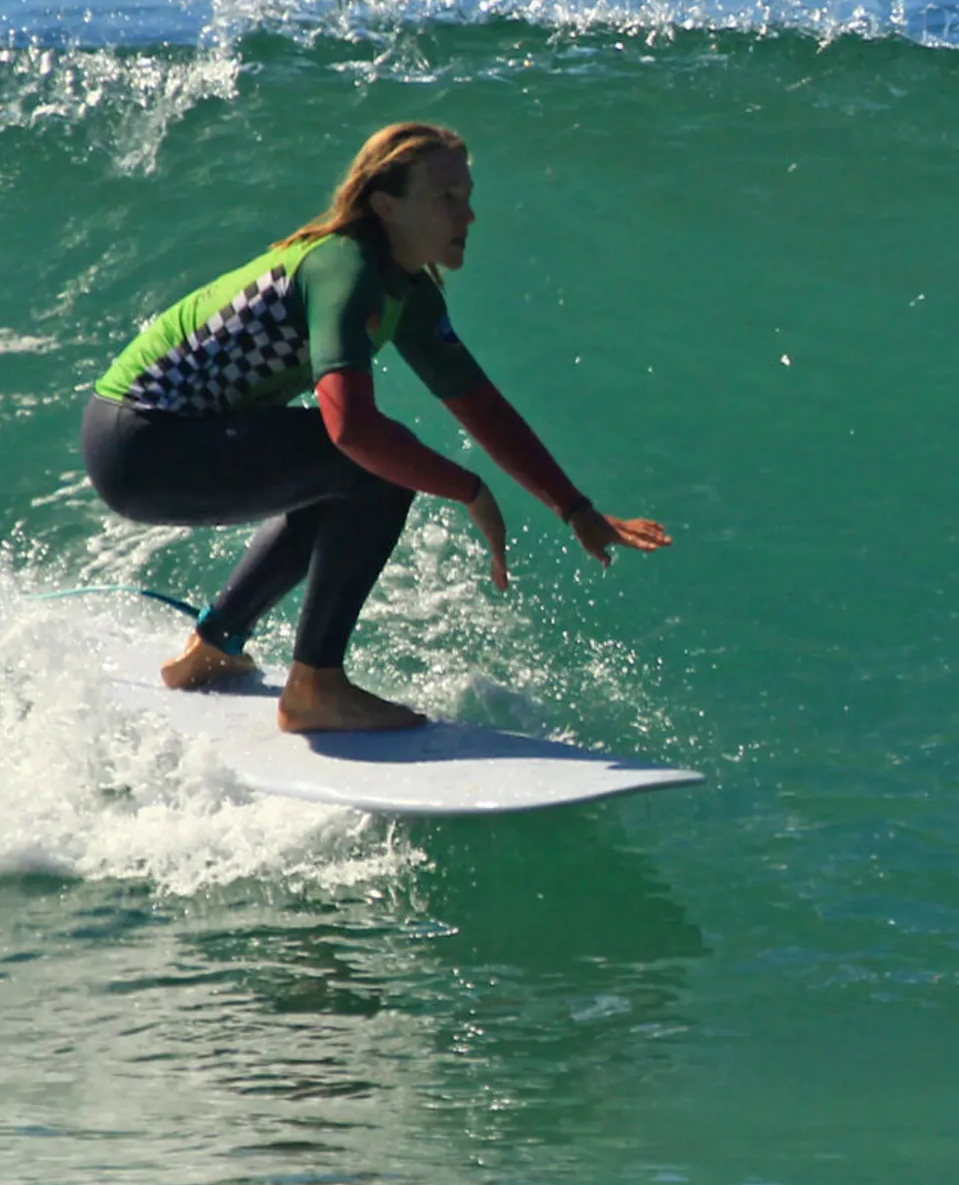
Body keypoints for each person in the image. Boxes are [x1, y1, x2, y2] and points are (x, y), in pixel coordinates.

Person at [81, 121, 668, 733]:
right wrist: (471, 491)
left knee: (348, 473)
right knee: (375, 468)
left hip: (148, 439)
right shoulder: (346, 269)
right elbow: (354, 431)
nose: (467, 215)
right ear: (386, 205)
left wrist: (576, 510)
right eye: (445, 199)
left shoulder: (405, 291)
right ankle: (315, 686)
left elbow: (484, 409)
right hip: (143, 440)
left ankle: (214, 646)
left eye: (467, 197)